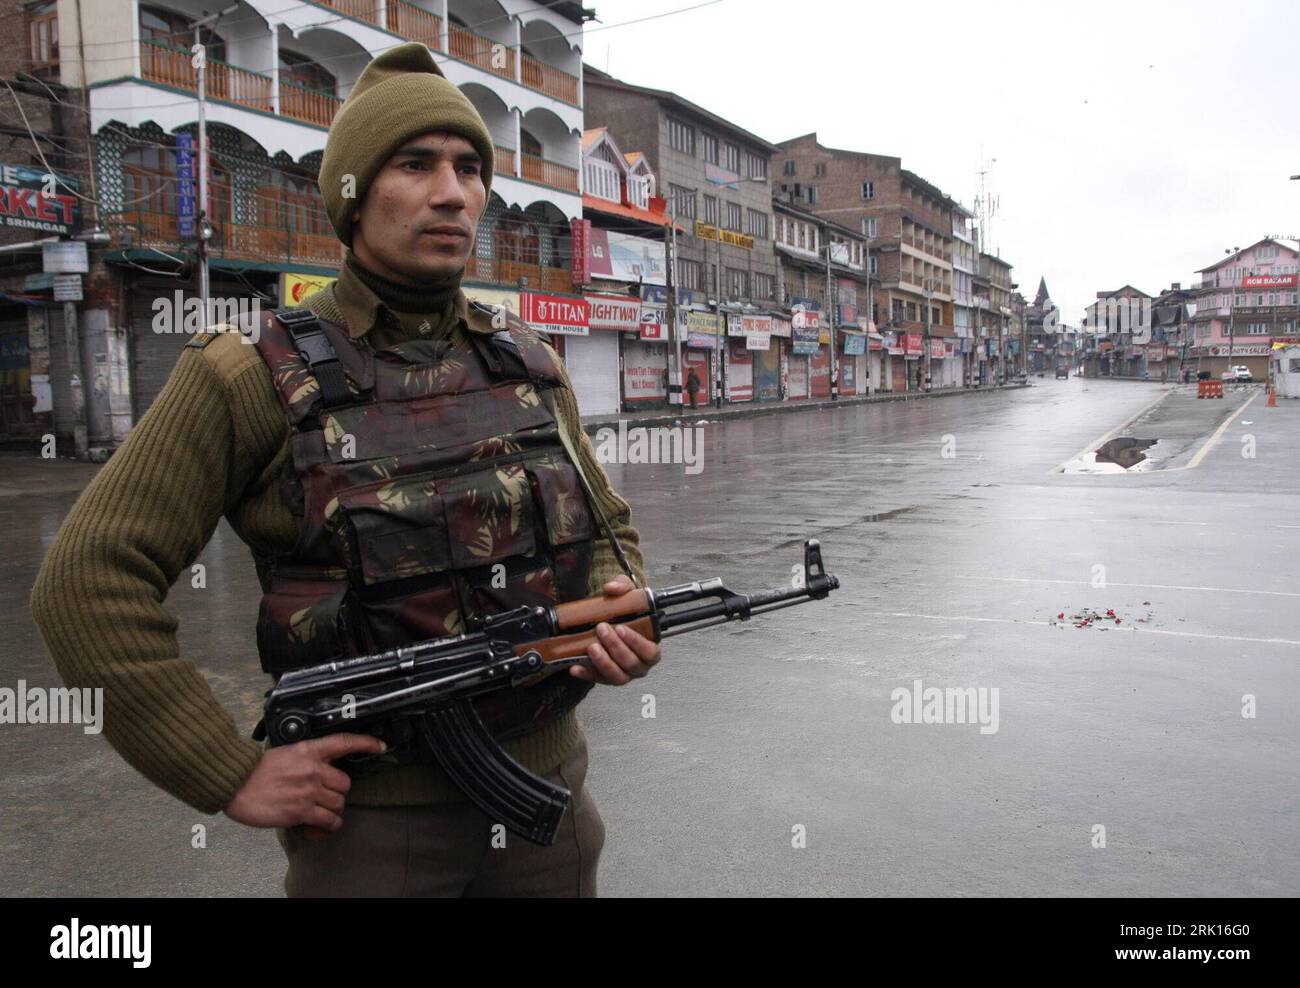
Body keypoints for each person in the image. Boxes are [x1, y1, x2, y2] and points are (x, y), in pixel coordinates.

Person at [30, 43, 661, 898]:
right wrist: (226, 771)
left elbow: (605, 530)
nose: (453, 192)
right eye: (415, 164)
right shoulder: (249, 373)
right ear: (353, 194)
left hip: (549, 806)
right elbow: (85, 581)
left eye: (471, 168)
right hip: (375, 834)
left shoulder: (528, 360)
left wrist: (625, 611)